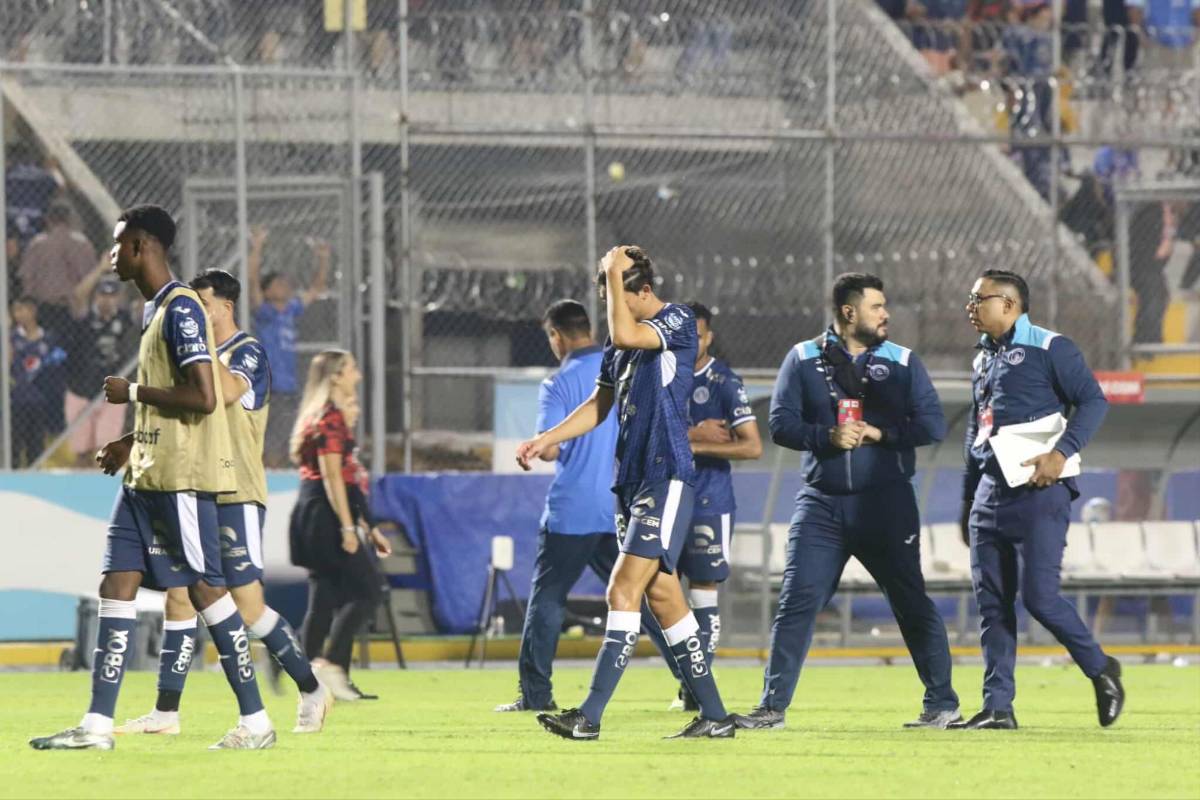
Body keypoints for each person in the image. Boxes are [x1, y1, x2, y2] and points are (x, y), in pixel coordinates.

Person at [30, 204, 276, 751]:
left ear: (142, 246)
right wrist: (128, 440)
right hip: (143, 478)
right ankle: (96, 727)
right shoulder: (153, 309)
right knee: (115, 584)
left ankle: (256, 721)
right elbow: (169, 399)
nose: (111, 256)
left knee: (208, 591)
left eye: (117, 246)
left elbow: (206, 396)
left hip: (180, 481)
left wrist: (135, 393)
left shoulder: (182, 309)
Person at [518, 246, 735, 741]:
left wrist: (612, 275)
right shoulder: (620, 347)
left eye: (617, 292)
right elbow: (599, 405)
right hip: (631, 482)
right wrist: (547, 438)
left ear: (641, 290)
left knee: (621, 588)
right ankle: (716, 716)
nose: (612, 304)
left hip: (666, 476)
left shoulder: (675, 320)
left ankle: (589, 716)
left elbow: (624, 330)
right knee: (664, 598)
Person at [733, 273, 961, 732]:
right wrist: (827, 436)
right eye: (877, 307)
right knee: (797, 601)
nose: (886, 314)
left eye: (885, 306)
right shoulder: (801, 358)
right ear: (848, 312)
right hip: (822, 505)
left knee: (910, 601)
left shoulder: (903, 361)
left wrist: (882, 433)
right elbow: (780, 425)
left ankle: (942, 705)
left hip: (887, 503)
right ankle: (772, 707)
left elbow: (932, 426)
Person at [114, 268, 332, 737]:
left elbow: (226, 394)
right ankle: (166, 713)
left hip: (236, 492)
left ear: (225, 307)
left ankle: (311, 688)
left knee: (249, 607)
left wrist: (192, 347)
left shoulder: (246, 352)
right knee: (179, 596)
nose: (194, 314)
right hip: (195, 487)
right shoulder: (195, 357)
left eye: (203, 305)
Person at [955, 269, 1124, 729]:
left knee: (1040, 598)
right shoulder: (981, 358)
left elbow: (1093, 401)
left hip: (1039, 491)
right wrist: (968, 498)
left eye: (978, 300)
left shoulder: (1052, 347)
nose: (970, 307)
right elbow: (979, 426)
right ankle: (997, 707)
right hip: (989, 493)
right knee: (992, 604)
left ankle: (1101, 667)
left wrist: (1061, 453)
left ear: (1009, 304)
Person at [495, 299, 668, 714]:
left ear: (555, 336)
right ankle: (690, 684)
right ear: (588, 328)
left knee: (549, 598)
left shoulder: (558, 383)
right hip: (623, 505)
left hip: (573, 511)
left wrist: (540, 447)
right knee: (647, 597)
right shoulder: (626, 366)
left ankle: (536, 695)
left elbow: (551, 451)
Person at [668, 300, 762, 711]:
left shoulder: (724, 382)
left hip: (708, 499)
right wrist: (692, 432)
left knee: (703, 592)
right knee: (658, 591)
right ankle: (688, 677)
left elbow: (752, 446)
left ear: (708, 338)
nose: (690, 342)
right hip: (664, 496)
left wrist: (688, 442)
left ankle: (695, 687)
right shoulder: (661, 375)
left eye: (698, 335)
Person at [288, 349, 391, 702]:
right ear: (335, 376)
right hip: (324, 513)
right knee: (370, 590)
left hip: (318, 509)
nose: (357, 375)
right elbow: (333, 477)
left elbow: (345, 481)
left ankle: (321, 677)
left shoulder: (320, 415)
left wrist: (368, 525)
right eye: (352, 369)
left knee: (325, 597)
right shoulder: (329, 419)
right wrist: (349, 529)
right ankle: (329, 666)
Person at [248, 225, 331, 466]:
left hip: (288, 386)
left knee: (285, 442)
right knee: (269, 442)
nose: (284, 286)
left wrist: (323, 259)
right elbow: (253, 279)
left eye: (286, 283)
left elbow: (317, 288)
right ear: (267, 290)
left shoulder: (291, 311)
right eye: (278, 283)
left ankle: (275, 477)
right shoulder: (265, 312)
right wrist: (257, 246)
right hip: (269, 386)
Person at [64, 263, 136, 467]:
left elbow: (144, 302)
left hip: (111, 393)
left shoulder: (124, 319)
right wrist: (100, 268)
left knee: (104, 450)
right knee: (81, 453)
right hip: (80, 389)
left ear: (118, 298)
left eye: (112, 295)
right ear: (95, 296)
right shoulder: (85, 319)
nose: (107, 300)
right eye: (102, 295)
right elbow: (78, 296)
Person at [16, 202, 97, 337]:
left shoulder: (38, 243)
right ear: (70, 219)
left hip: (43, 308)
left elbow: (27, 280)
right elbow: (92, 279)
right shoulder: (83, 244)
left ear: (49, 220)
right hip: (73, 308)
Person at [9, 296, 67, 466]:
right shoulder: (11, 338)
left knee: (36, 446)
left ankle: (34, 476)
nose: (17, 314)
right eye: (15, 311)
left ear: (33, 310)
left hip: (41, 400)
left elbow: (56, 368)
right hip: (16, 400)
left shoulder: (49, 339)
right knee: (14, 446)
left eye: (21, 309)